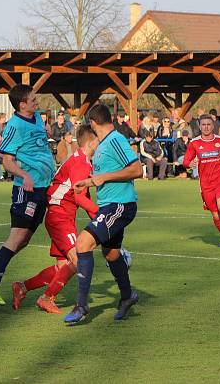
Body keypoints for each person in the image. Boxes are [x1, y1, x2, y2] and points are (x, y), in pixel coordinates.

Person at [0, 84, 56, 306]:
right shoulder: (14, 126)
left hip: (42, 188)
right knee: (16, 237)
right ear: (22, 104)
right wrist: (25, 175)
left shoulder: (36, 116)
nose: (37, 101)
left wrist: (46, 133)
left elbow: (39, 143)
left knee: (23, 240)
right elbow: (7, 161)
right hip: (25, 190)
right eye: (33, 99)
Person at [63, 104, 143, 325]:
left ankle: (81, 305)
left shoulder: (115, 140)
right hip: (112, 204)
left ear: (93, 123)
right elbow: (103, 177)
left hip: (119, 205)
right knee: (111, 254)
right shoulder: (106, 143)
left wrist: (104, 177)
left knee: (83, 244)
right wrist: (89, 181)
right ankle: (127, 297)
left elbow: (137, 170)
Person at [12, 125, 100, 313]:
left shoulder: (81, 160)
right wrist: (100, 214)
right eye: (99, 139)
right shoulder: (81, 164)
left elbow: (84, 194)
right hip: (60, 216)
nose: (101, 143)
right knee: (78, 260)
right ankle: (46, 298)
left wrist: (99, 221)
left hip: (59, 215)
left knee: (62, 266)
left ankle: (22, 287)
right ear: (91, 142)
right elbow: (78, 196)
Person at [182, 114, 220, 251]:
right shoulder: (194, 143)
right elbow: (185, 162)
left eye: (209, 124)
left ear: (213, 126)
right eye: (203, 125)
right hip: (205, 184)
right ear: (200, 126)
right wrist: (191, 163)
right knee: (215, 214)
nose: (206, 127)